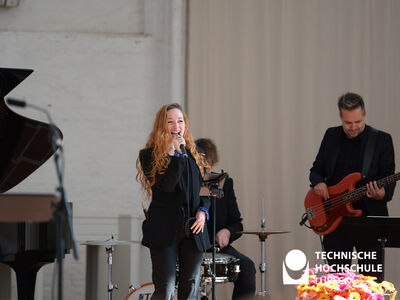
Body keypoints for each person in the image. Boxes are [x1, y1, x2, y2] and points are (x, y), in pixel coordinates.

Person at [309, 92, 396, 281]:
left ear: (364, 113)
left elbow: (388, 179)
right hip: (336, 220)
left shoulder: (382, 140)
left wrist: (381, 194)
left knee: (372, 283)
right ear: (340, 116)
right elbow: (316, 169)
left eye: (357, 121)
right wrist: (319, 182)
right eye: (348, 123)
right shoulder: (331, 135)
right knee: (337, 281)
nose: (353, 127)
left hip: (370, 221)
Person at [136, 103, 211, 300]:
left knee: (191, 288)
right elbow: (166, 186)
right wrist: (174, 155)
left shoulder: (194, 155)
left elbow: (203, 192)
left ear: (185, 125)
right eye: (170, 122)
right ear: (162, 126)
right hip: (164, 229)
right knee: (166, 288)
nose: (176, 126)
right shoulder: (149, 155)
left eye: (180, 121)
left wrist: (203, 212)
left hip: (193, 230)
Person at [195, 138, 256, 299]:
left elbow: (237, 223)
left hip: (216, 248)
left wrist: (227, 231)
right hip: (190, 247)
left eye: (208, 166)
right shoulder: (187, 184)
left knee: (247, 267)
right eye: (201, 166)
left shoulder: (225, 184)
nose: (205, 170)